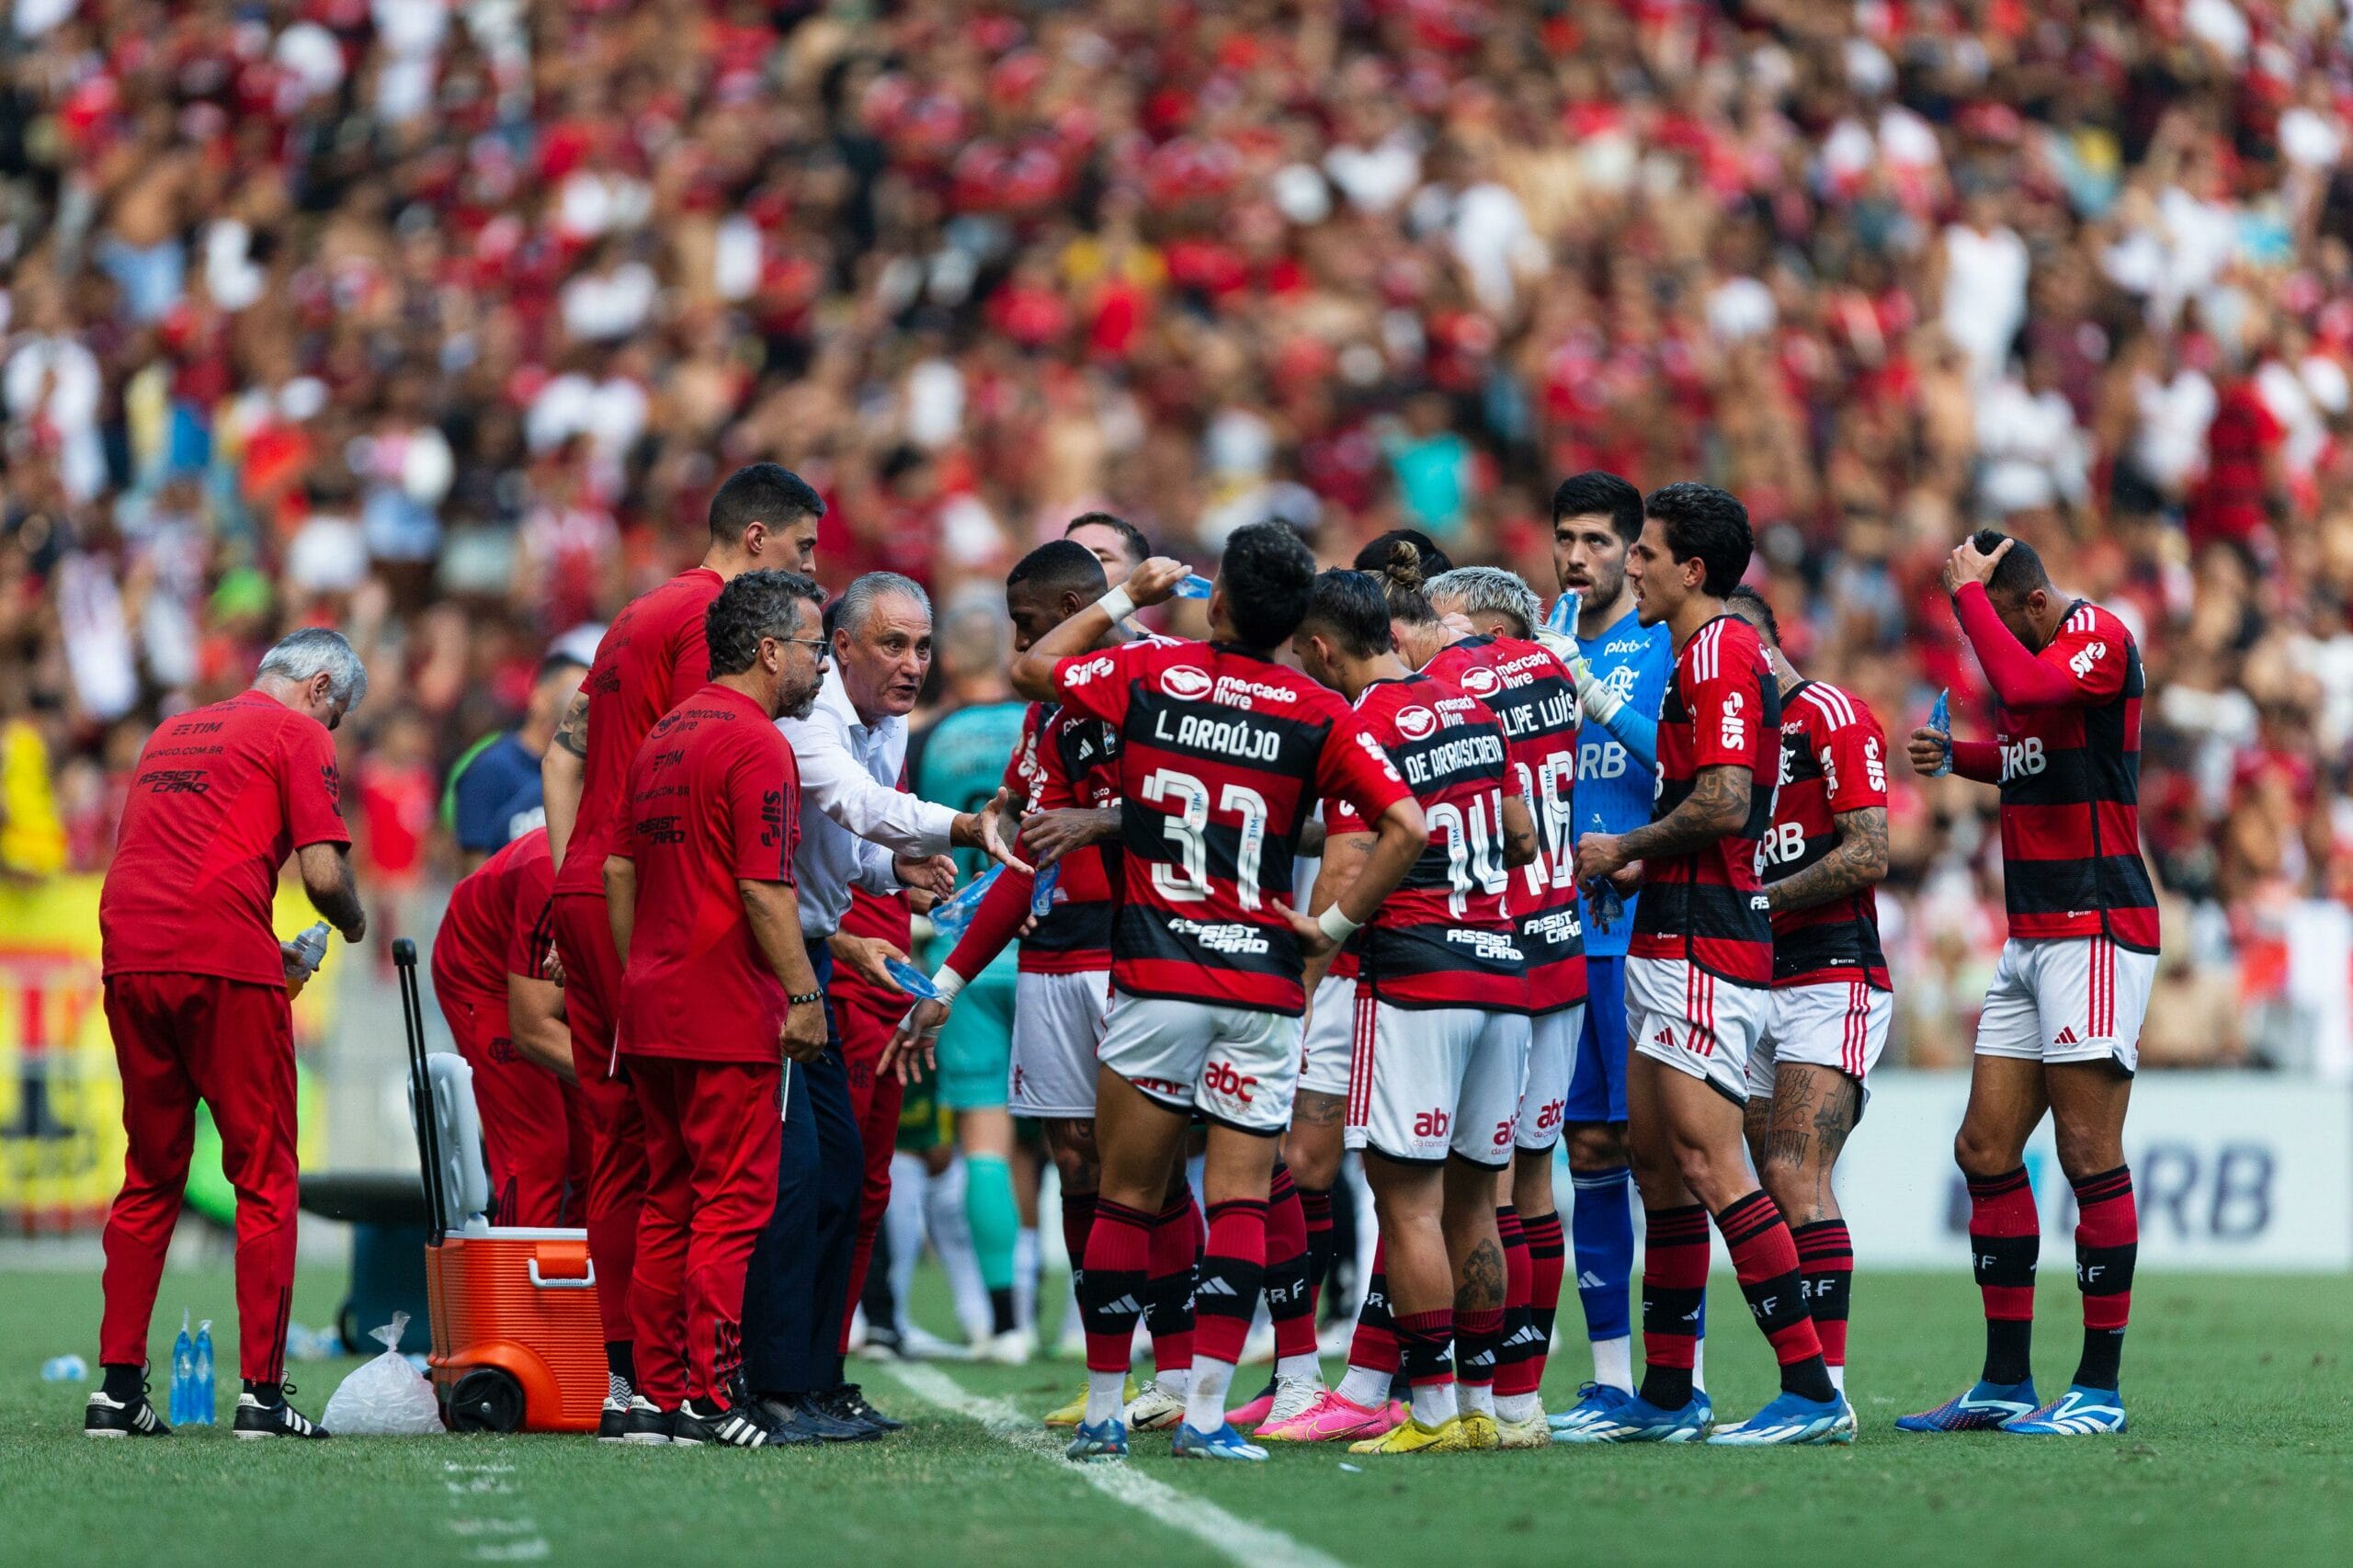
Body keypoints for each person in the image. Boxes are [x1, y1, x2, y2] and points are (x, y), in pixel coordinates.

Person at [1006, 520, 1427, 1465]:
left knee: (1124, 1194)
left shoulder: (1154, 675)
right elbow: (1404, 824)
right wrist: (1330, 925)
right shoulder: (1317, 709)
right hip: (1260, 982)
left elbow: (1034, 666)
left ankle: (1112, 1407)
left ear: (1216, 601)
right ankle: (1204, 1416)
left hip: (1157, 971)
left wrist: (1125, 599)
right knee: (1241, 1198)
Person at [539, 461, 824, 1438]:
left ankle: (637, 1381)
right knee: (718, 1186)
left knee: (637, 1169)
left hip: (612, 892)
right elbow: (751, 863)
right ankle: (698, 1385)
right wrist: (801, 985)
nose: (809, 566)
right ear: (755, 542)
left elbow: (570, 742)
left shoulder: (634, 615)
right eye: (802, 549)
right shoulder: (717, 644)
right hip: (688, 931)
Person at [895, 536, 1203, 1433]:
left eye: (1033, 622)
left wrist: (1106, 823)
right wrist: (948, 977)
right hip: (1052, 958)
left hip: (1144, 946)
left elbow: (1214, 806)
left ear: (1077, 604)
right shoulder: (1045, 721)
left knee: (1149, 1164)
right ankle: (1103, 1364)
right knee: (1075, 1157)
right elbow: (1024, 863)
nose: (1026, 642)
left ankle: (1181, 1370)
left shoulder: (1170, 679)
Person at [1569, 482, 1847, 1446]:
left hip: (1705, 937)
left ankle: (1811, 1389)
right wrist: (1647, 857)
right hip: (1668, 924)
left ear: (1690, 569)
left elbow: (1727, 801)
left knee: (1708, 1160)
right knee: (1657, 1164)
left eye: (1642, 553)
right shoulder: (1699, 651)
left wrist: (1620, 845)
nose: (1628, 567)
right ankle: (1666, 1391)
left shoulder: (1724, 651)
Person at [745, 572, 1019, 1441]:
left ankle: (813, 1377)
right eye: (894, 645)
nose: (912, 665)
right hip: (782, 964)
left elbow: (848, 842)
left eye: (923, 647)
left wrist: (891, 873)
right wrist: (969, 831)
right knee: (799, 1182)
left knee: (842, 1179)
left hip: (825, 956)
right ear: (841, 649)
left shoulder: (887, 719)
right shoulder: (811, 713)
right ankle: (768, 1381)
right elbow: (854, 805)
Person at [1898, 530, 2155, 1438]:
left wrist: (1968, 596)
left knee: (2088, 1152)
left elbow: (2025, 687)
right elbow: (2028, 749)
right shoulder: (2041, 659)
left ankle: (2098, 1387)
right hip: (2031, 933)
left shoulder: (2097, 636)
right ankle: (2005, 1380)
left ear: (2033, 605)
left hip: (2095, 925)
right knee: (1983, 1147)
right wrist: (1956, 754)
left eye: (2003, 623)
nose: (1993, 643)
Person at [88, 628, 369, 1439]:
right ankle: (263, 1396)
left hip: (130, 954)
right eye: (340, 715)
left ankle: (115, 1391)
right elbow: (322, 875)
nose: (336, 734)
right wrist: (350, 925)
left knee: (150, 1174)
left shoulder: (171, 732)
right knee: (265, 1174)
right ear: (319, 687)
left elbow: (164, 858)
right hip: (220, 961)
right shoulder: (296, 734)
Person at [1287, 563, 1535, 1458]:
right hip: (1502, 971)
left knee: (1410, 1207)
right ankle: (1479, 1402)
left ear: (1320, 647)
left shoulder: (1355, 727)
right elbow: (1518, 832)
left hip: (1416, 979)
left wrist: (1330, 930)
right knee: (1476, 1202)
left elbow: (1373, 848)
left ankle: (1427, 1410)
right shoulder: (1470, 706)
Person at [604, 570, 832, 1447]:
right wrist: (804, 994)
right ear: (770, 651)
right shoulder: (756, 745)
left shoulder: (664, 733)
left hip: (653, 1004)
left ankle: (656, 1398)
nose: (819, 669)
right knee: (733, 1206)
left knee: (668, 1201)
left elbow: (621, 869)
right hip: (727, 1010)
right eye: (814, 649)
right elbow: (763, 890)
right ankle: (710, 1394)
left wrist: (645, 969)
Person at [1423, 564, 1586, 1445]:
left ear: (1472, 620)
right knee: (1533, 1180)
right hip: (1560, 944)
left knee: (1469, 1188)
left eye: (1433, 617)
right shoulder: (1554, 676)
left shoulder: (1454, 678)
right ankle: (1522, 1398)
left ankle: (1470, 1392)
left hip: (1491, 947)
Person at [1725, 585, 1891, 1418]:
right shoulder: (1733, 740)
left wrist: (1762, 899)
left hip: (1833, 973)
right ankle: (1810, 1384)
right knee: (1771, 1176)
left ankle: (1826, 1391)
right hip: (1753, 975)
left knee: (1794, 1169)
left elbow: (1869, 851)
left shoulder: (1830, 712)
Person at [1541, 470, 1682, 1437]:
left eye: (1597, 540)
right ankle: (1607, 1378)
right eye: (1565, 538)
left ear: (1633, 553)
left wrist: (1586, 691)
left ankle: (1682, 1378)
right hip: (1556, 930)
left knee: (1659, 1157)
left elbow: (1686, 769)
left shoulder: (1663, 644)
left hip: (1643, 932)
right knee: (1585, 1144)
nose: (1577, 557)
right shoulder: (1537, 644)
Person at [909, 603, 1034, 1361]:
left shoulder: (927, 738)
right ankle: (1112, 1324)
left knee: (984, 1142)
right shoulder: (1047, 722)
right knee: (1090, 1142)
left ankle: (1006, 1325)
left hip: (962, 957)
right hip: (1050, 947)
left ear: (948, 660)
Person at [430, 826, 587, 1227]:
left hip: (536, 957)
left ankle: (580, 1283)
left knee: (601, 1143)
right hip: (481, 972)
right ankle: (516, 1284)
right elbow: (533, 1029)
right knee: (538, 1146)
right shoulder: (547, 871)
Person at [444, 653, 587, 869]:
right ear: (539, 699)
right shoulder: (489, 770)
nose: (582, 707)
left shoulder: (585, 772)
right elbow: (473, 874)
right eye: (573, 696)